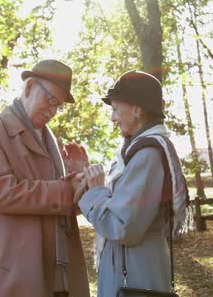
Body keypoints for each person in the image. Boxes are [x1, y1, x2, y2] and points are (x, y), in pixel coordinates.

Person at [0, 59, 90, 297]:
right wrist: (67, 188)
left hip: (58, 268)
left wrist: (79, 177)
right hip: (15, 269)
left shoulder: (49, 139)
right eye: (51, 100)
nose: (53, 111)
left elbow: (63, 205)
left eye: (59, 106)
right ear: (29, 87)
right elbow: (2, 194)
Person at [76, 70, 190, 297]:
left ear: (137, 110)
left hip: (136, 277)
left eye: (116, 109)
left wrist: (96, 192)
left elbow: (122, 227)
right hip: (133, 272)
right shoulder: (137, 153)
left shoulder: (147, 155)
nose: (112, 117)